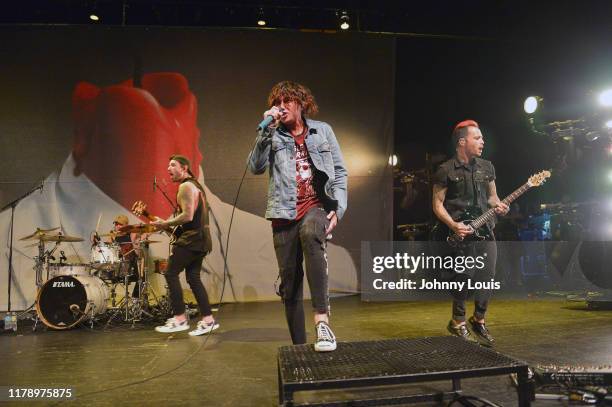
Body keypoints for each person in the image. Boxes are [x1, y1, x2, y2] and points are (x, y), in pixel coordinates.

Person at [247, 81, 348, 352]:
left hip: (316, 205)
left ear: (301, 104)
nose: (281, 107)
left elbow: (339, 172)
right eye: (277, 103)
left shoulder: (322, 131)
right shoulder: (273, 134)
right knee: (289, 282)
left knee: (311, 232)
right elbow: (255, 167)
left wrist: (338, 209)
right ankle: (299, 347)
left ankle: (322, 322)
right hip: (283, 213)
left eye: (286, 101)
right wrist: (265, 130)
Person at [432, 119, 508, 346]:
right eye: (478, 138)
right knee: (463, 277)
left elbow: (493, 198)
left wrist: (501, 206)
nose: (482, 141)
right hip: (461, 233)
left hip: (485, 230)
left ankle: (479, 319)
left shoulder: (487, 167)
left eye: (482, 138)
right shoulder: (446, 169)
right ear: (462, 141)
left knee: (488, 276)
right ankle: (458, 321)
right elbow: (437, 204)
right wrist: (454, 225)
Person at [151, 155, 218, 336]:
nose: (168, 169)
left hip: (191, 240)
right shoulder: (196, 186)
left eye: (173, 165)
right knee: (193, 278)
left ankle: (180, 319)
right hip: (202, 240)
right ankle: (208, 320)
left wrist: (165, 223)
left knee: (171, 273)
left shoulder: (185, 186)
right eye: (168, 165)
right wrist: (167, 224)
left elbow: (187, 216)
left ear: (185, 168)